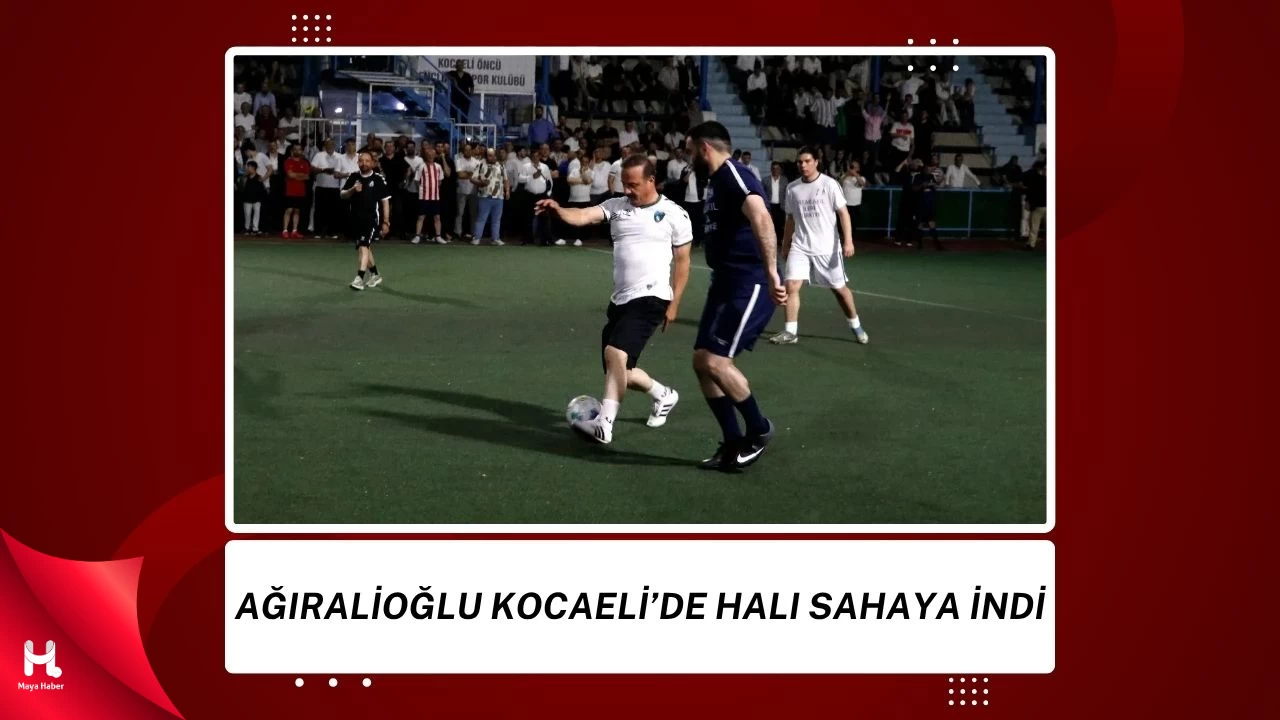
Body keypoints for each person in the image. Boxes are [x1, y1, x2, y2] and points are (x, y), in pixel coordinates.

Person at [534, 155, 692, 443]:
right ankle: (664, 394)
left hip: (652, 296)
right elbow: (583, 216)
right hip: (620, 300)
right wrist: (558, 210)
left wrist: (675, 303)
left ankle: (604, 425)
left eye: (633, 185)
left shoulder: (674, 214)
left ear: (651, 181)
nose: (627, 190)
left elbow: (683, 261)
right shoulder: (616, 206)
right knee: (619, 371)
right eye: (624, 184)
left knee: (615, 353)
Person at [684, 121, 786, 471]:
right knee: (702, 362)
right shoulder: (714, 182)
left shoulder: (734, 174)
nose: (689, 158)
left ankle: (758, 429)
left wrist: (771, 272)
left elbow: (761, 217)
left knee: (717, 362)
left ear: (705, 148)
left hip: (750, 280)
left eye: (690, 151)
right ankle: (731, 442)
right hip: (724, 281)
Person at [769, 147, 869, 346]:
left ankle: (855, 324)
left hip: (827, 248)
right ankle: (790, 332)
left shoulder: (829, 184)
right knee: (791, 285)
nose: (803, 165)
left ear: (816, 162)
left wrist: (848, 241)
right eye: (800, 162)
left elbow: (843, 213)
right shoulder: (793, 188)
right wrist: (785, 244)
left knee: (839, 289)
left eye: (807, 161)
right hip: (800, 245)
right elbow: (790, 219)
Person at [339, 152, 392, 290]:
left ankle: (359, 278)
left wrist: (386, 222)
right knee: (365, 248)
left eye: (367, 161)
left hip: (371, 219)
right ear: (358, 163)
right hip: (355, 219)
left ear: (372, 163)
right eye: (361, 161)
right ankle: (375, 275)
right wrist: (352, 190)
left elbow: (385, 201)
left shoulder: (378, 179)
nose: (364, 163)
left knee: (363, 246)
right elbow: (342, 195)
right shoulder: (354, 177)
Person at [471, 148, 508, 246]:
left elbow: (505, 179)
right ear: (486, 156)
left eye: (493, 155)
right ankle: (477, 238)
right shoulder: (480, 164)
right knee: (481, 219)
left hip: (499, 197)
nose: (492, 157)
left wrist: (507, 191)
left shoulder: (501, 165)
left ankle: (495, 238)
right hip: (484, 196)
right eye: (489, 155)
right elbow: (473, 179)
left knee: (496, 220)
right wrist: (480, 182)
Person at [413, 144, 448, 245]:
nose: (430, 156)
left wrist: (434, 190)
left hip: (435, 197)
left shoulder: (438, 167)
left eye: (432, 155)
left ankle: (438, 236)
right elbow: (417, 181)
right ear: (425, 155)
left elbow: (440, 181)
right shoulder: (421, 166)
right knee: (421, 217)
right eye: (428, 155)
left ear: (435, 155)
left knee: (437, 217)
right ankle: (417, 236)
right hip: (423, 196)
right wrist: (422, 190)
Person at [281, 143, 310, 238]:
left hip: (300, 191)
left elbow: (307, 176)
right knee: (289, 210)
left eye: (299, 149)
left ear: (302, 151)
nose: (297, 151)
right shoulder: (288, 161)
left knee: (297, 210)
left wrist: (295, 175)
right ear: (292, 151)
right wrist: (300, 175)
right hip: (290, 190)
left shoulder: (305, 163)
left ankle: (294, 230)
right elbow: (290, 175)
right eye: (295, 149)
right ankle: (285, 230)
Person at [838, 159, 866, 240]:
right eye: (852, 166)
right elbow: (839, 183)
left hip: (856, 203)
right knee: (843, 221)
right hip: (845, 203)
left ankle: (851, 238)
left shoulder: (861, 177)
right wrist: (847, 173)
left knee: (853, 222)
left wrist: (855, 174)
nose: (853, 168)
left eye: (855, 167)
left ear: (858, 168)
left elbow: (861, 183)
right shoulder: (845, 176)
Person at [1025, 161, 1047, 250]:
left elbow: (1030, 192)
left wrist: (1027, 202)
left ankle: (1031, 244)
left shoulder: (1035, 180)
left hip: (1037, 207)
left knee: (1034, 227)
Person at [241, 161, 268, 236]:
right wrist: (244, 178)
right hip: (247, 199)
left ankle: (255, 229)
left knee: (257, 214)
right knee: (247, 214)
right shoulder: (246, 177)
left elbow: (262, 188)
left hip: (257, 199)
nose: (247, 168)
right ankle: (247, 228)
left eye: (248, 167)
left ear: (253, 168)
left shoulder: (259, 177)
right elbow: (243, 187)